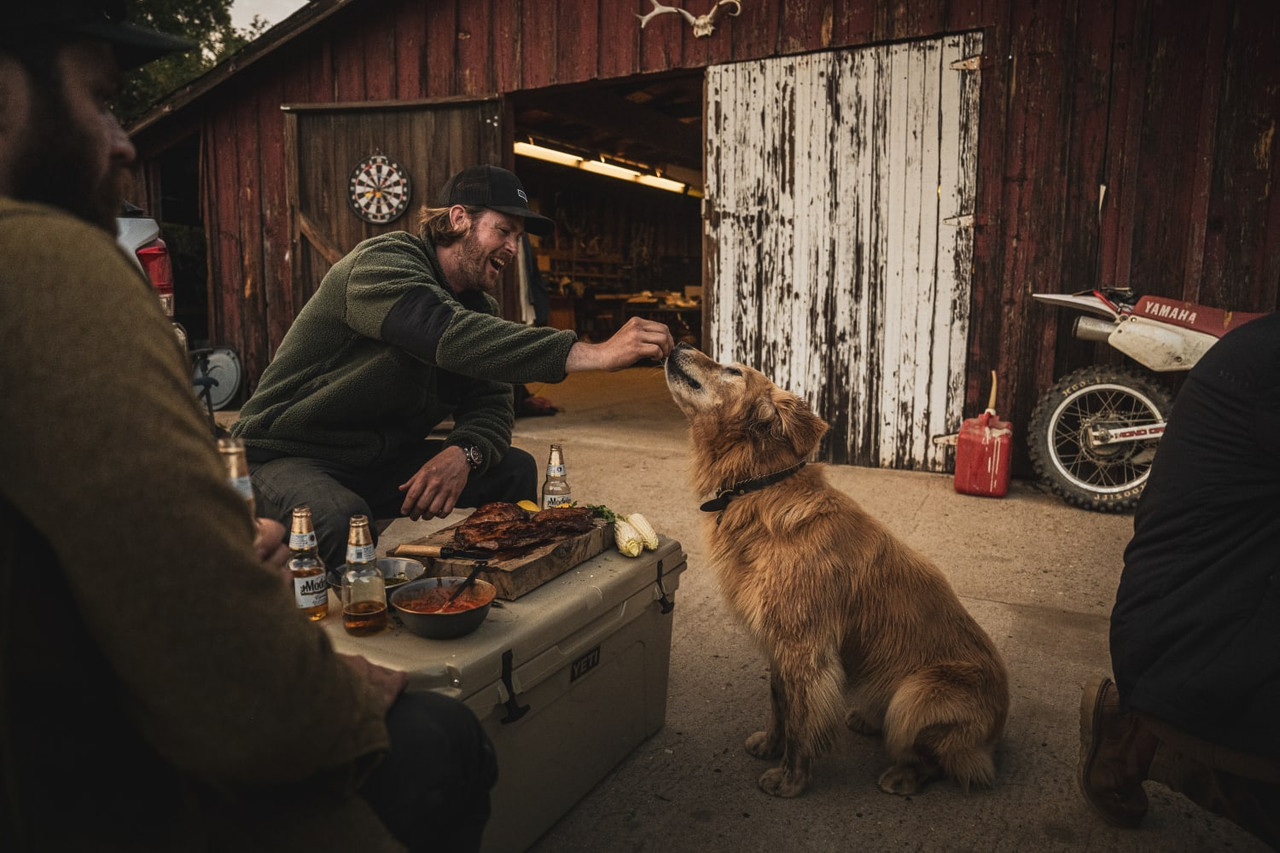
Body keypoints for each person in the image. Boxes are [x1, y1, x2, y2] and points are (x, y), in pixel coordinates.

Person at [1, 3, 494, 850]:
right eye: (102, 101)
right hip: (83, 777)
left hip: (71, 701)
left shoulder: (480, 298)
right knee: (441, 742)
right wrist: (340, 694)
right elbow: (219, 660)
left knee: (503, 473)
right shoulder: (43, 260)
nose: (124, 142)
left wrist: (471, 444)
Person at [232, 163, 674, 570]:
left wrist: (464, 452)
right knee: (339, 518)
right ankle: (327, 639)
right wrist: (596, 354)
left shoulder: (480, 308)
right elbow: (445, 334)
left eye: (518, 238)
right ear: (459, 218)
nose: (512, 248)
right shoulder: (382, 263)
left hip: (373, 462)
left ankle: (502, 582)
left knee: (513, 468)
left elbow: (494, 407)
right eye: (503, 230)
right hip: (287, 454)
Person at [1078, 311, 1280, 848]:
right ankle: (1166, 745)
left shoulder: (1257, 345)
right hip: (1194, 645)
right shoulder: (1268, 362)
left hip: (1183, 627)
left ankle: (1144, 738)